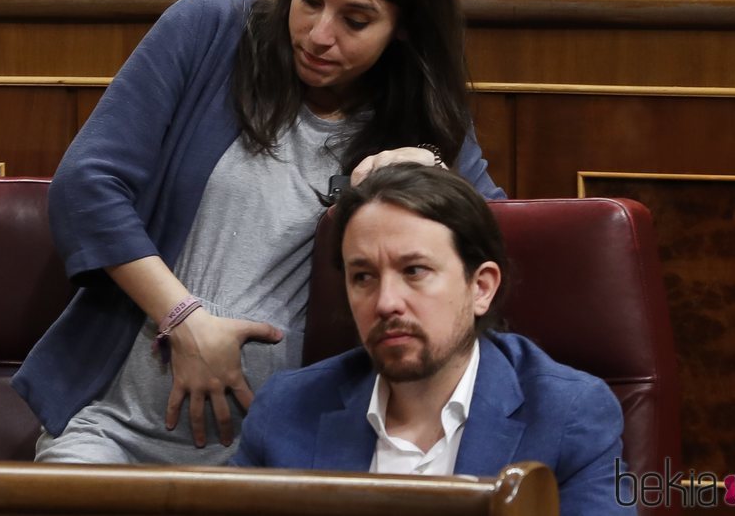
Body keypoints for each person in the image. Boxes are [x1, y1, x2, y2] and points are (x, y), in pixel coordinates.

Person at [12, 0, 505, 465]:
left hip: (289, 455)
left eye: (356, 20)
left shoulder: (422, 116)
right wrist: (184, 319)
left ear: (402, 28)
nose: (320, 34)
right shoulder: (211, 31)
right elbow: (85, 186)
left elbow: (496, 245)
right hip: (112, 432)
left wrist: (435, 173)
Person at [231, 164, 632, 516]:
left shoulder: (567, 416)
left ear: (481, 288)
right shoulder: (287, 409)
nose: (386, 303)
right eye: (363, 277)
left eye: (415, 271)